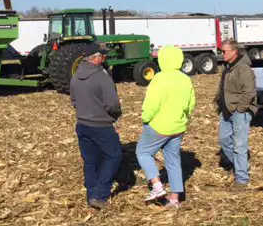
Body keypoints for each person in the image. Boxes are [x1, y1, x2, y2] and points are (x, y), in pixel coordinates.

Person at [135, 45, 196, 208]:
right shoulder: (185, 79)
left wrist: (145, 119)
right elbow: (191, 104)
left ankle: (157, 186)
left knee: (142, 152)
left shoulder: (160, 78)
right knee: (173, 161)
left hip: (159, 126)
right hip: (178, 127)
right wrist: (184, 117)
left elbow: (151, 104)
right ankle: (175, 199)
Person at [70, 43, 123, 210]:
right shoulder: (102, 76)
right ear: (95, 57)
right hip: (101, 125)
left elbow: (74, 100)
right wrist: (114, 115)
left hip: (82, 124)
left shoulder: (76, 75)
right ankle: (99, 194)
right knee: (114, 155)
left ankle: (91, 191)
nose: (105, 57)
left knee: (90, 159)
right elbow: (112, 104)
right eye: (103, 55)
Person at [216, 39, 258, 189]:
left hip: (240, 111)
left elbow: (249, 92)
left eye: (224, 51)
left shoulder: (243, 69)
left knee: (240, 145)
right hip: (227, 110)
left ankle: (241, 179)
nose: (222, 54)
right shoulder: (229, 67)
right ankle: (241, 164)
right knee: (224, 140)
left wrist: (240, 109)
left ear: (234, 52)